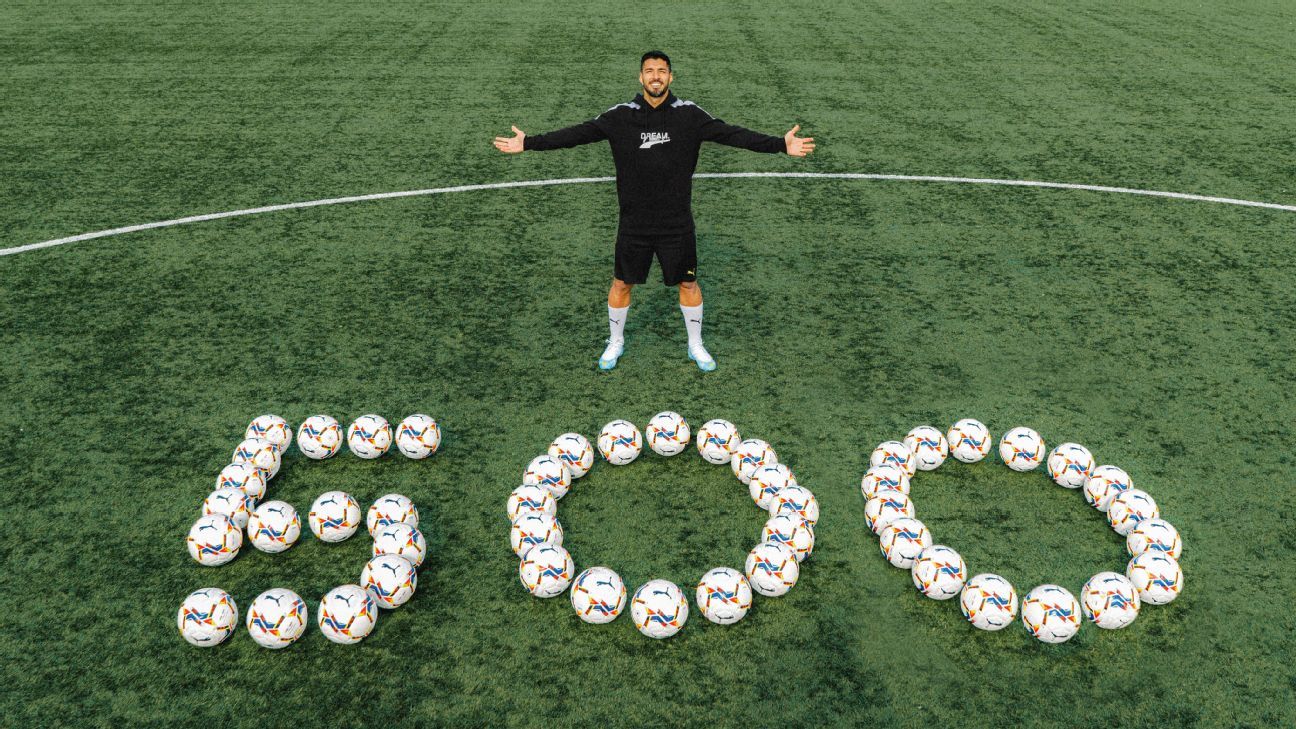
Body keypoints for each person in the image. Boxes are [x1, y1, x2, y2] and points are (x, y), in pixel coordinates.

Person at [493, 50, 815, 371]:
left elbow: (732, 134)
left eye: (662, 71)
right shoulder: (621, 116)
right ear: (640, 77)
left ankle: (695, 344)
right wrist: (530, 142)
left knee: (688, 284)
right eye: (650, 71)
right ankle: (616, 341)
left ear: (671, 77)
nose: (656, 76)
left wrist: (780, 144)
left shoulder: (689, 114)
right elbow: (578, 133)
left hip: (676, 223)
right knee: (621, 283)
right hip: (634, 224)